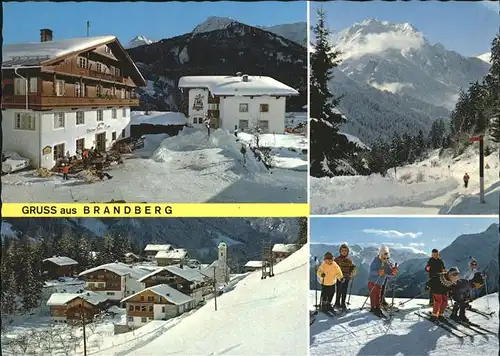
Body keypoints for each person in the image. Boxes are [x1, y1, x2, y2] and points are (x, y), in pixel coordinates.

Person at [368, 246, 398, 317]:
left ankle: (377, 308)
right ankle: (373, 308)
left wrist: (394, 271)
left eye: (387, 258)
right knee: (373, 295)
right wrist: (378, 272)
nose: (386, 259)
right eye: (384, 258)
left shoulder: (387, 264)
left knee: (378, 295)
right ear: (380, 255)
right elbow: (371, 271)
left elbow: (389, 272)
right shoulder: (375, 261)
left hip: (379, 283)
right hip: (372, 281)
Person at [333, 244, 357, 311]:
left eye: (345, 251)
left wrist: (353, 269)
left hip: (346, 278)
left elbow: (351, 267)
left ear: (347, 252)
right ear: (340, 251)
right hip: (339, 278)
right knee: (338, 291)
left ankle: (343, 303)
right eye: (342, 250)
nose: (344, 252)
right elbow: (334, 267)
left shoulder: (349, 260)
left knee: (344, 291)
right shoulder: (337, 259)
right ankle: (337, 302)